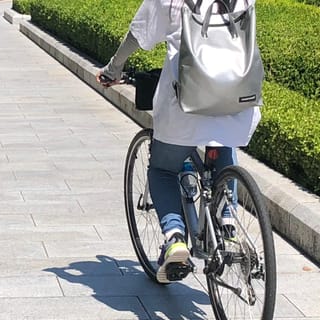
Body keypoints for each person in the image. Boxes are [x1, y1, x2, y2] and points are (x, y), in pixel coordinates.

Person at [96, 0, 261, 283]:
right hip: (238, 98)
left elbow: (138, 35)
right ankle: (227, 217)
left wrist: (113, 69)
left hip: (185, 102)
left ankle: (174, 236)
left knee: (162, 169)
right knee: (222, 140)